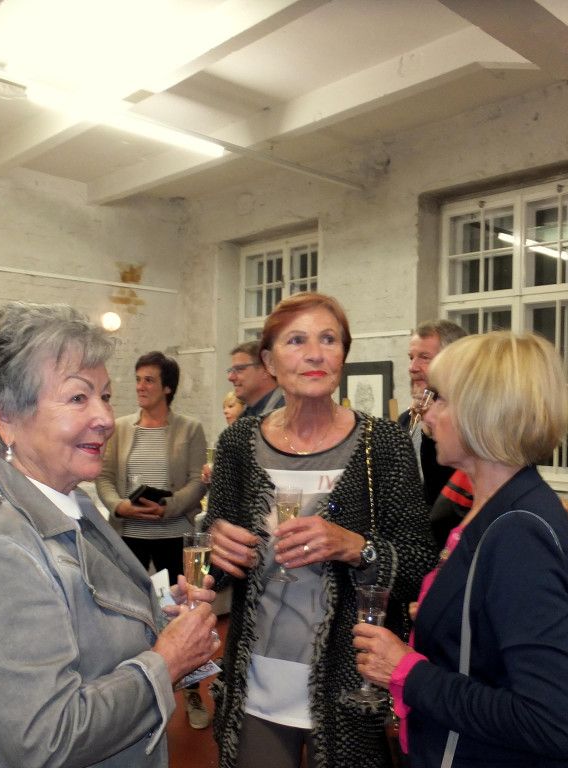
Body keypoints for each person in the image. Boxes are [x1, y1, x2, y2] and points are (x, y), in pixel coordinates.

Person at [0, 303, 219, 768]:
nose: (105, 417)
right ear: (5, 417)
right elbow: (48, 739)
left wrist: (159, 621)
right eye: (78, 398)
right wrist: (166, 662)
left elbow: (78, 621)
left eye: (105, 396)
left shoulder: (65, 501)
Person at [206, 292, 436, 768]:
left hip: (352, 685)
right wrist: (217, 550)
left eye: (329, 340)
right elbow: (217, 558)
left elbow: (419, 565)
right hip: (258, 681)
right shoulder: (237, 444)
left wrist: (357, 548)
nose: (315, 354)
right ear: (269, 361)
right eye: (297, 341)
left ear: (343, 355)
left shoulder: (383, 444)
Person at [354, 332, 568, 768]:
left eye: (440, 399)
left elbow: (552, 722)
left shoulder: (519, 531)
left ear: (482, 412)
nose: (427, 413)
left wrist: (406, 672)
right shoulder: (493, 508)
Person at [96, 351, 209, 729]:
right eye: (138, 379)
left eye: (149, 380)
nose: (140, 386)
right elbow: (104, 478)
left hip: (172, 535)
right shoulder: (120, 427)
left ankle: (192, 691)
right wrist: (120, 506)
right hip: (128, 537)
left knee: (180, 614)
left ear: (168, 388)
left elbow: (196, 482)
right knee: (126, 614)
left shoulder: (189, 429)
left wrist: (169, 507)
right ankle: (130, 694)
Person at [396, 321, 467, 507]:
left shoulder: (469, 424)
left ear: (454, 363)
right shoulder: (406, 420)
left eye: (424, 358)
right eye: (411, 357)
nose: (412, 367)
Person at [228, 340, 285, 417]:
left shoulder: (289, 413)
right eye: (231, 370)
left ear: (266, 370)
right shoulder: (246, 415)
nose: (230, 377)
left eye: (239, 369)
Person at [201, 390, 246, 484]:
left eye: (230, 406)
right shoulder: (225, 438)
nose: (225, 411)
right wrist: (210, 478)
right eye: (224, 408)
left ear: (244, 407)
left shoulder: (249, 437)